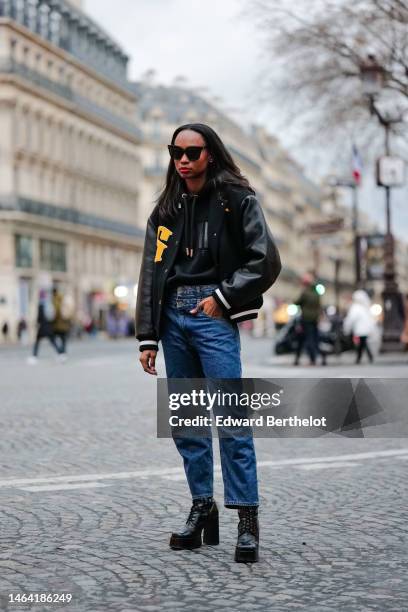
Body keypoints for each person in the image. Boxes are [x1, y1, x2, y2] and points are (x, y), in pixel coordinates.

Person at [135, 123, 281, 563]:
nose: (182, 159)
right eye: (175, 151)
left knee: (232, 420)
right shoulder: (165, 209)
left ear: (210, 155)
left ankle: (247, 520)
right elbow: (150, 274)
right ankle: (203, 507)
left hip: (212, 315)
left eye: (192, 152)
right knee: (187, 422)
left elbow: (266, 260)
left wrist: (222, 297)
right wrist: (148, 335)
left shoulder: (237, 200)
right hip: (172, 320)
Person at [28, 289, 64, 364]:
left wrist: (37, 323)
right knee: (52, 341)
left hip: (42, 327)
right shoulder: (50, 304)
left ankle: (34, 356)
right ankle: (60, 354)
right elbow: (53, 316)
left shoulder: (41, 305)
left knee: (37, 342)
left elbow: (39, 317)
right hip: (50, 327)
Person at [293, 273, 321, 366]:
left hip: (305, 318)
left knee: (303, 339)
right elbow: (319, 305)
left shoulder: (305, 293)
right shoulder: (316, 293)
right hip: (315, 318)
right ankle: (313, 358)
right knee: (313, 338)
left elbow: (297, 302)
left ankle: (298, 359)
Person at [343, 290, 375, 364]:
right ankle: (367, 357)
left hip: (360, 330)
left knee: (361, 344)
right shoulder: (365, 307)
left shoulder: (355, 307)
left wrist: (346, 328)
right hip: (365, 330)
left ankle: (359, 358)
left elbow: (351, 318)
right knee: (363, 343)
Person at [52, 288, 71, 356]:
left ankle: (61, 352)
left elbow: (56, 313)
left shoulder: (55, 301)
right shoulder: (63, 300)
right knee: (63, 339)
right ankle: (63, 352)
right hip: (65, 324)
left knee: (53, 338)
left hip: (58, 325)